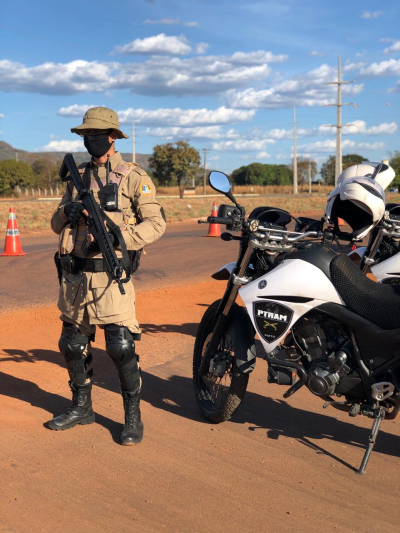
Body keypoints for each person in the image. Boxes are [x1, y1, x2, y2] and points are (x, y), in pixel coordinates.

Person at [48, 107, 166, 445]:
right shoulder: (77, 174)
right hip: (75, 276)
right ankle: (81, 408)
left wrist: (121, 238)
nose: (90, 139)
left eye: (96, 134)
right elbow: (55, 223)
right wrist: (66, 212)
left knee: (121, 346)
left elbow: (156, 223)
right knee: (71, 344)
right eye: (86, 134)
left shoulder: (133, 177)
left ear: (113, 136)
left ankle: (132, 418)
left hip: (110, 277)